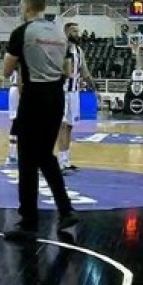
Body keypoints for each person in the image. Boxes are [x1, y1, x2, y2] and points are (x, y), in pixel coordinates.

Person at [2, 0, 79, 242]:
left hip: (34, 95)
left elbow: (6, 70)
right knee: (46, 155)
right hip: (56, 96)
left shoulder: (22, 32)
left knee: (27, 159)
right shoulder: (59, 33)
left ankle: (28, 222)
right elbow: (67, 70)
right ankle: (66, 210)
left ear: (26, 5)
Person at [57, 23, 95, 173]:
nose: (77, 34)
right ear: (66, 32)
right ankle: (60, 161)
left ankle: (66, 160)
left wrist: (93, 85)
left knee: (70, 126)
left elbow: (84, 70)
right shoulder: (61, 48)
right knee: (62, 126)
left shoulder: (79, 50)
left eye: (77, 31)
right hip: (62, 91)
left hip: (74, 92)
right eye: (74, 31)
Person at [5, 69, 19, 166]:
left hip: (16, 88)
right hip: (17, 88)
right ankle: (12, 153)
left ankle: (13, 153)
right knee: (16, 121)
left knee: (17, 121)